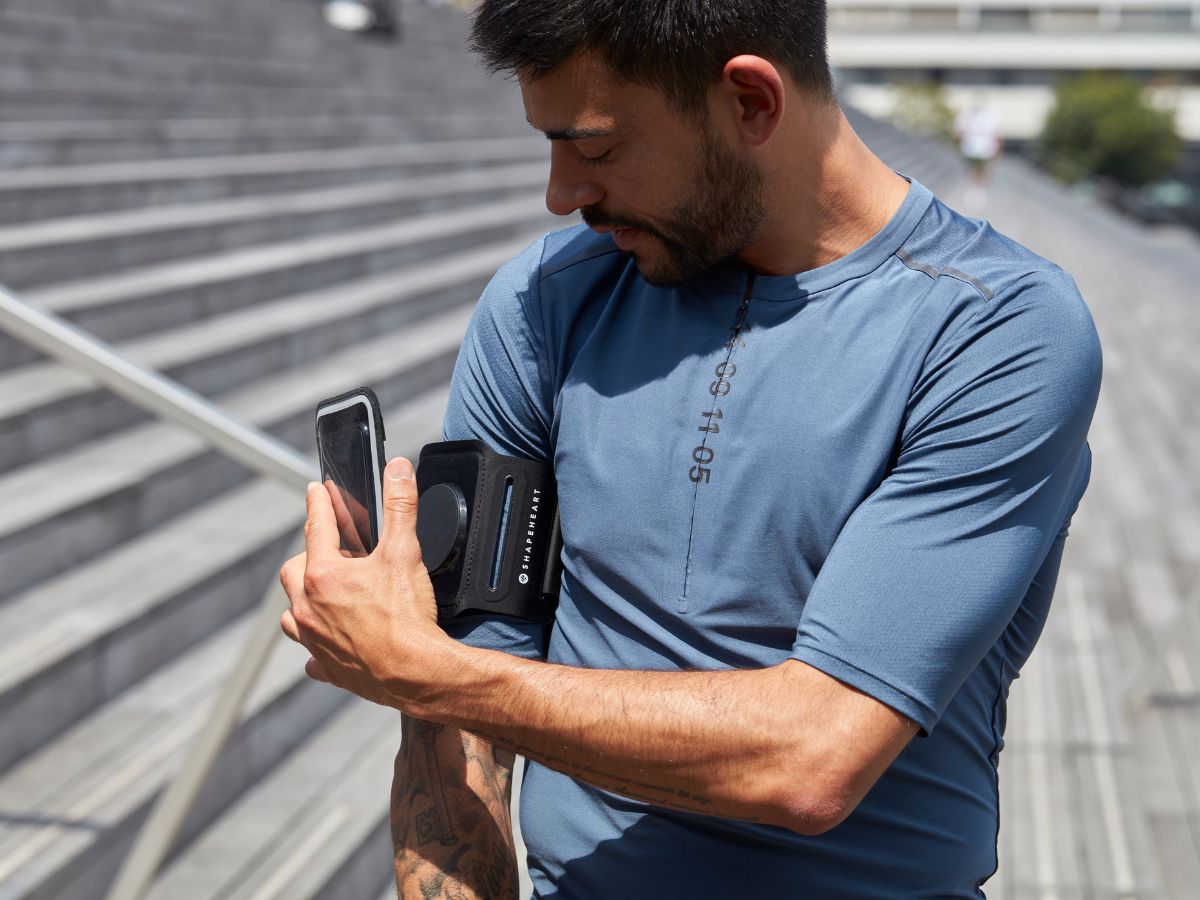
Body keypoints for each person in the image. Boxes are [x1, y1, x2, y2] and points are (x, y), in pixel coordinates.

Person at [278, 1, 1103, 896]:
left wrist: (427, 672)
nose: (562, 194)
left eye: (594, 149)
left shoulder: (994, 330)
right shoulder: (543, 303)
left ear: (751, 101)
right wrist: (441, 684)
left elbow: (812, 755)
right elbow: (457, 732)